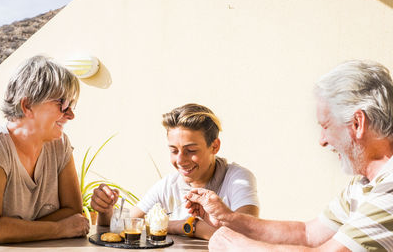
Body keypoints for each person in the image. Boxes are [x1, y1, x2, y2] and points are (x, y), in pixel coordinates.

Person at [185, 60, 393, 251]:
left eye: (326, 126)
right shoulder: (363, 184)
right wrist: (227, 218)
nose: (322, 140)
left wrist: (234, 245)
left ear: (357, 123)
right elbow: (308, 234)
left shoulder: (390, 187)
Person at [91, 103, 259, 240]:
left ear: (214, 146)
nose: (180, 160)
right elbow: (126, 226)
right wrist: (105, 211)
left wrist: (187, 225)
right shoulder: (168, 185)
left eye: (191, 150)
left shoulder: (237, 179)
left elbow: (247, 235)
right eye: (173, 150)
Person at [0, 56, 89, 244]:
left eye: (72, 105)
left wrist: (15, 228)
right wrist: (59, 228)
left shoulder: (60, 145)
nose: (71, 115)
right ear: (27, 105)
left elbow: (74, 213)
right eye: (62, 103)